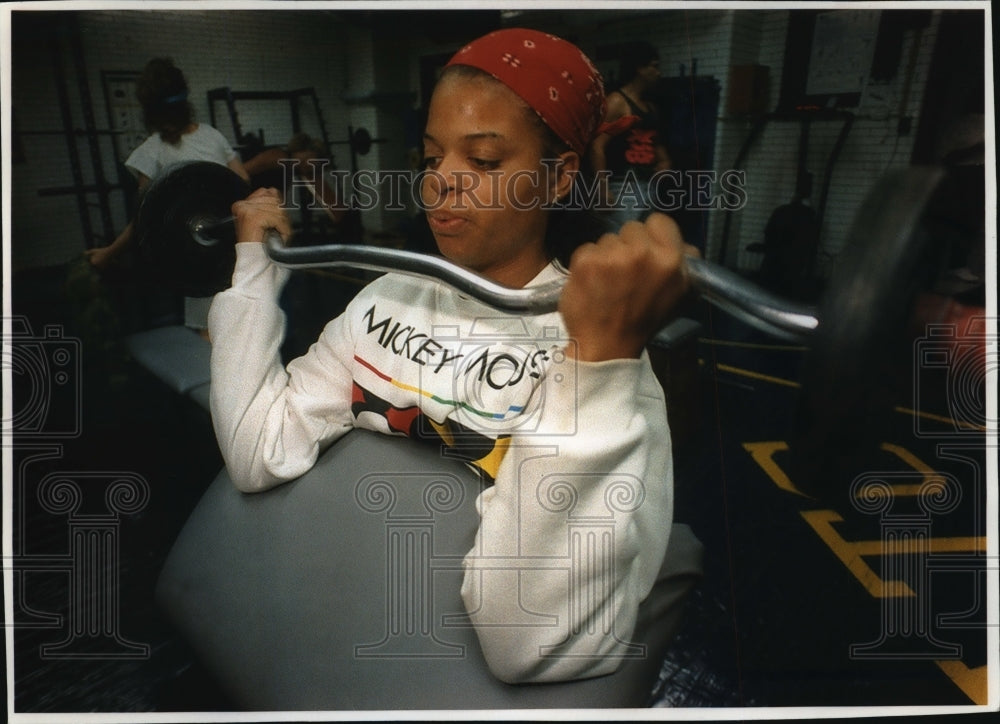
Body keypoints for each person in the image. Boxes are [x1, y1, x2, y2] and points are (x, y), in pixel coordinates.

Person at [207, 28, 697, 684]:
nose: (443, 185)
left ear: (559, 174)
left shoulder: (597, 354)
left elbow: (526, 638)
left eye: (486, 161)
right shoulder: (386, 303)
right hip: (358, 620)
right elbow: (255, 447)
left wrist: (596, 365)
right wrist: (252, 268)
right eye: (433, 158)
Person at [86, 57, 250, 337]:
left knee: (210, 332)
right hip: (236, 248)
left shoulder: (151, 151)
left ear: (148, 111)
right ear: (185, 100)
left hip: (199, 262)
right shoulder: (212, 135)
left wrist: (108, 253)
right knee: (243, 321)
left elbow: (143, 219)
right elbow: (243, 181)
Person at [589, 41, 672, 225]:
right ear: (640, 69)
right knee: (621, 243)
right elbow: (597, 146)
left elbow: (656, 144)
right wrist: (602, 189)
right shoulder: (617, 102)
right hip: (623, 185)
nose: (658, 73)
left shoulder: (650, 107)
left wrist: (665, 162)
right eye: (654, 67)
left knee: (643, 242)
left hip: (648, 185)